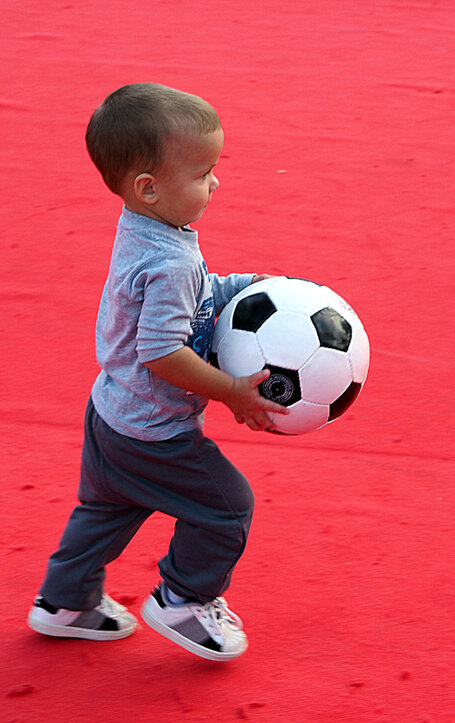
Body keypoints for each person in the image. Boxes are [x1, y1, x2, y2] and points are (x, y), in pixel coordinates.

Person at [28, 83, 288, 661]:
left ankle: (65, 602)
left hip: (110, 415)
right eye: (202, 173)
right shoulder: (168, 259)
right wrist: (229, 393)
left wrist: (247, 286)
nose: (214, 182)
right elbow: (161, 352)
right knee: (227, 508)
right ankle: (184, 599)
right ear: (148, 188)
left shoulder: (148, 231)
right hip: (154, 431)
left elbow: (194, 296)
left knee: (107, 508)